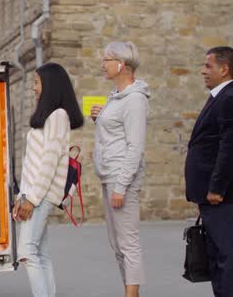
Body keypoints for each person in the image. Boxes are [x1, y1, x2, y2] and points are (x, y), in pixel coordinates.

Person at [13, 62, 84, 297]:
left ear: (50, 85)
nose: (33, 88)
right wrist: (21, 196)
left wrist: (31, 199)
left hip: (40, 196)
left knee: (27, 252)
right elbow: (31, 164)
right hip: (34, 194)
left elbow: (49, 162)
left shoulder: (58, 116)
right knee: (40, 254)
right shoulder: (50, 116)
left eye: (37, 82)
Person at [91, 41, 149, 297]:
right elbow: (116, 130)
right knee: (117, 244)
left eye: (107, 59)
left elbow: (135, 146)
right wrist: (101, 117)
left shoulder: (135, 99)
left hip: (121, 177)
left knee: (128, 243)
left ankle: (131, 294)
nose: (102, 64)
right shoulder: (116, 96)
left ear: (121, 64)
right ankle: (132, 293)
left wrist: (122, 186)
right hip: (109, 175)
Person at [185, 46, 233, 297]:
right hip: (210, 195)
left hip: (221, 197)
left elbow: (229, 146)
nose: (203, 71)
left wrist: (216, 187)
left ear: (224, 69)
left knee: (225, 256)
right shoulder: (219, 96)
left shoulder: (228, 97)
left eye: (208, 66)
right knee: (215, 255)